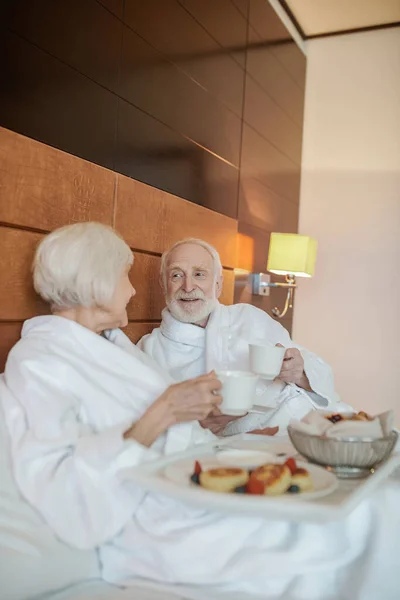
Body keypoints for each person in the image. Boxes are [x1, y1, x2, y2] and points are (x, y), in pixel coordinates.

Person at [2, 222, 398, 599]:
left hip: (198, 475)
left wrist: (215, 433)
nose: (132, 291)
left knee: (381, 499)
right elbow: (64, 488)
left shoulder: (110, 344)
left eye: (198, 275)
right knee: (369, 517)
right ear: (96, 283)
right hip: (158, 514)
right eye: (124, 276)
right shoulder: (42, 361)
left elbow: (179, 424)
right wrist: (167, 411)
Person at [138, 239, 348, 435]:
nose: (188, 286)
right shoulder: (148, 352)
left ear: (218, 284)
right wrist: (202, 426)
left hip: (321, 421)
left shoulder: (250, 317)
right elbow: (149, 429)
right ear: (163, 283)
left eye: (199, 274)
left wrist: (300, 373)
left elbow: (318, 374)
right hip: (260, 445)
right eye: (176, 275)